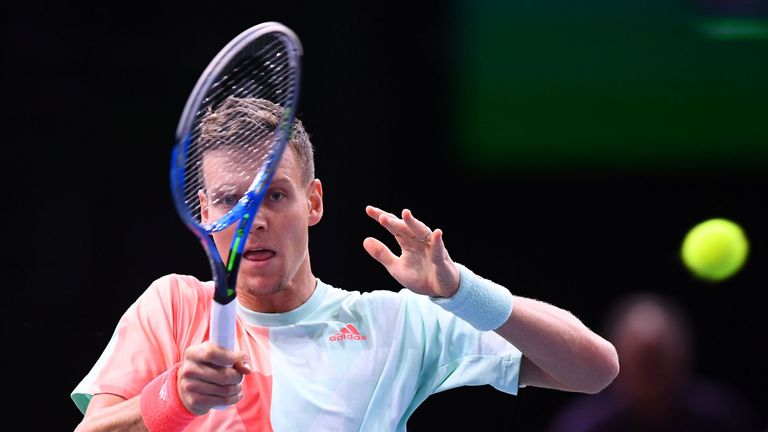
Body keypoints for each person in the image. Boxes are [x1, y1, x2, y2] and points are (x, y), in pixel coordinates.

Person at [71, 97, 619, 432]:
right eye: (231, 200)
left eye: (275, 195)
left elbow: (595, 370)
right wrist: (174, 398)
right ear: (205, 213)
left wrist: (462, 292)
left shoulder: (393, 324)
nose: (253, 219)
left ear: (313, 202)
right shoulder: (172, 306)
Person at [546, 292, 760, 432]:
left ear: (683, 356)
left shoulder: (720, 416)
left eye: (658, 359)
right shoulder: (584, 426)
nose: (651, 372)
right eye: (642, 361)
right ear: (616, 361)